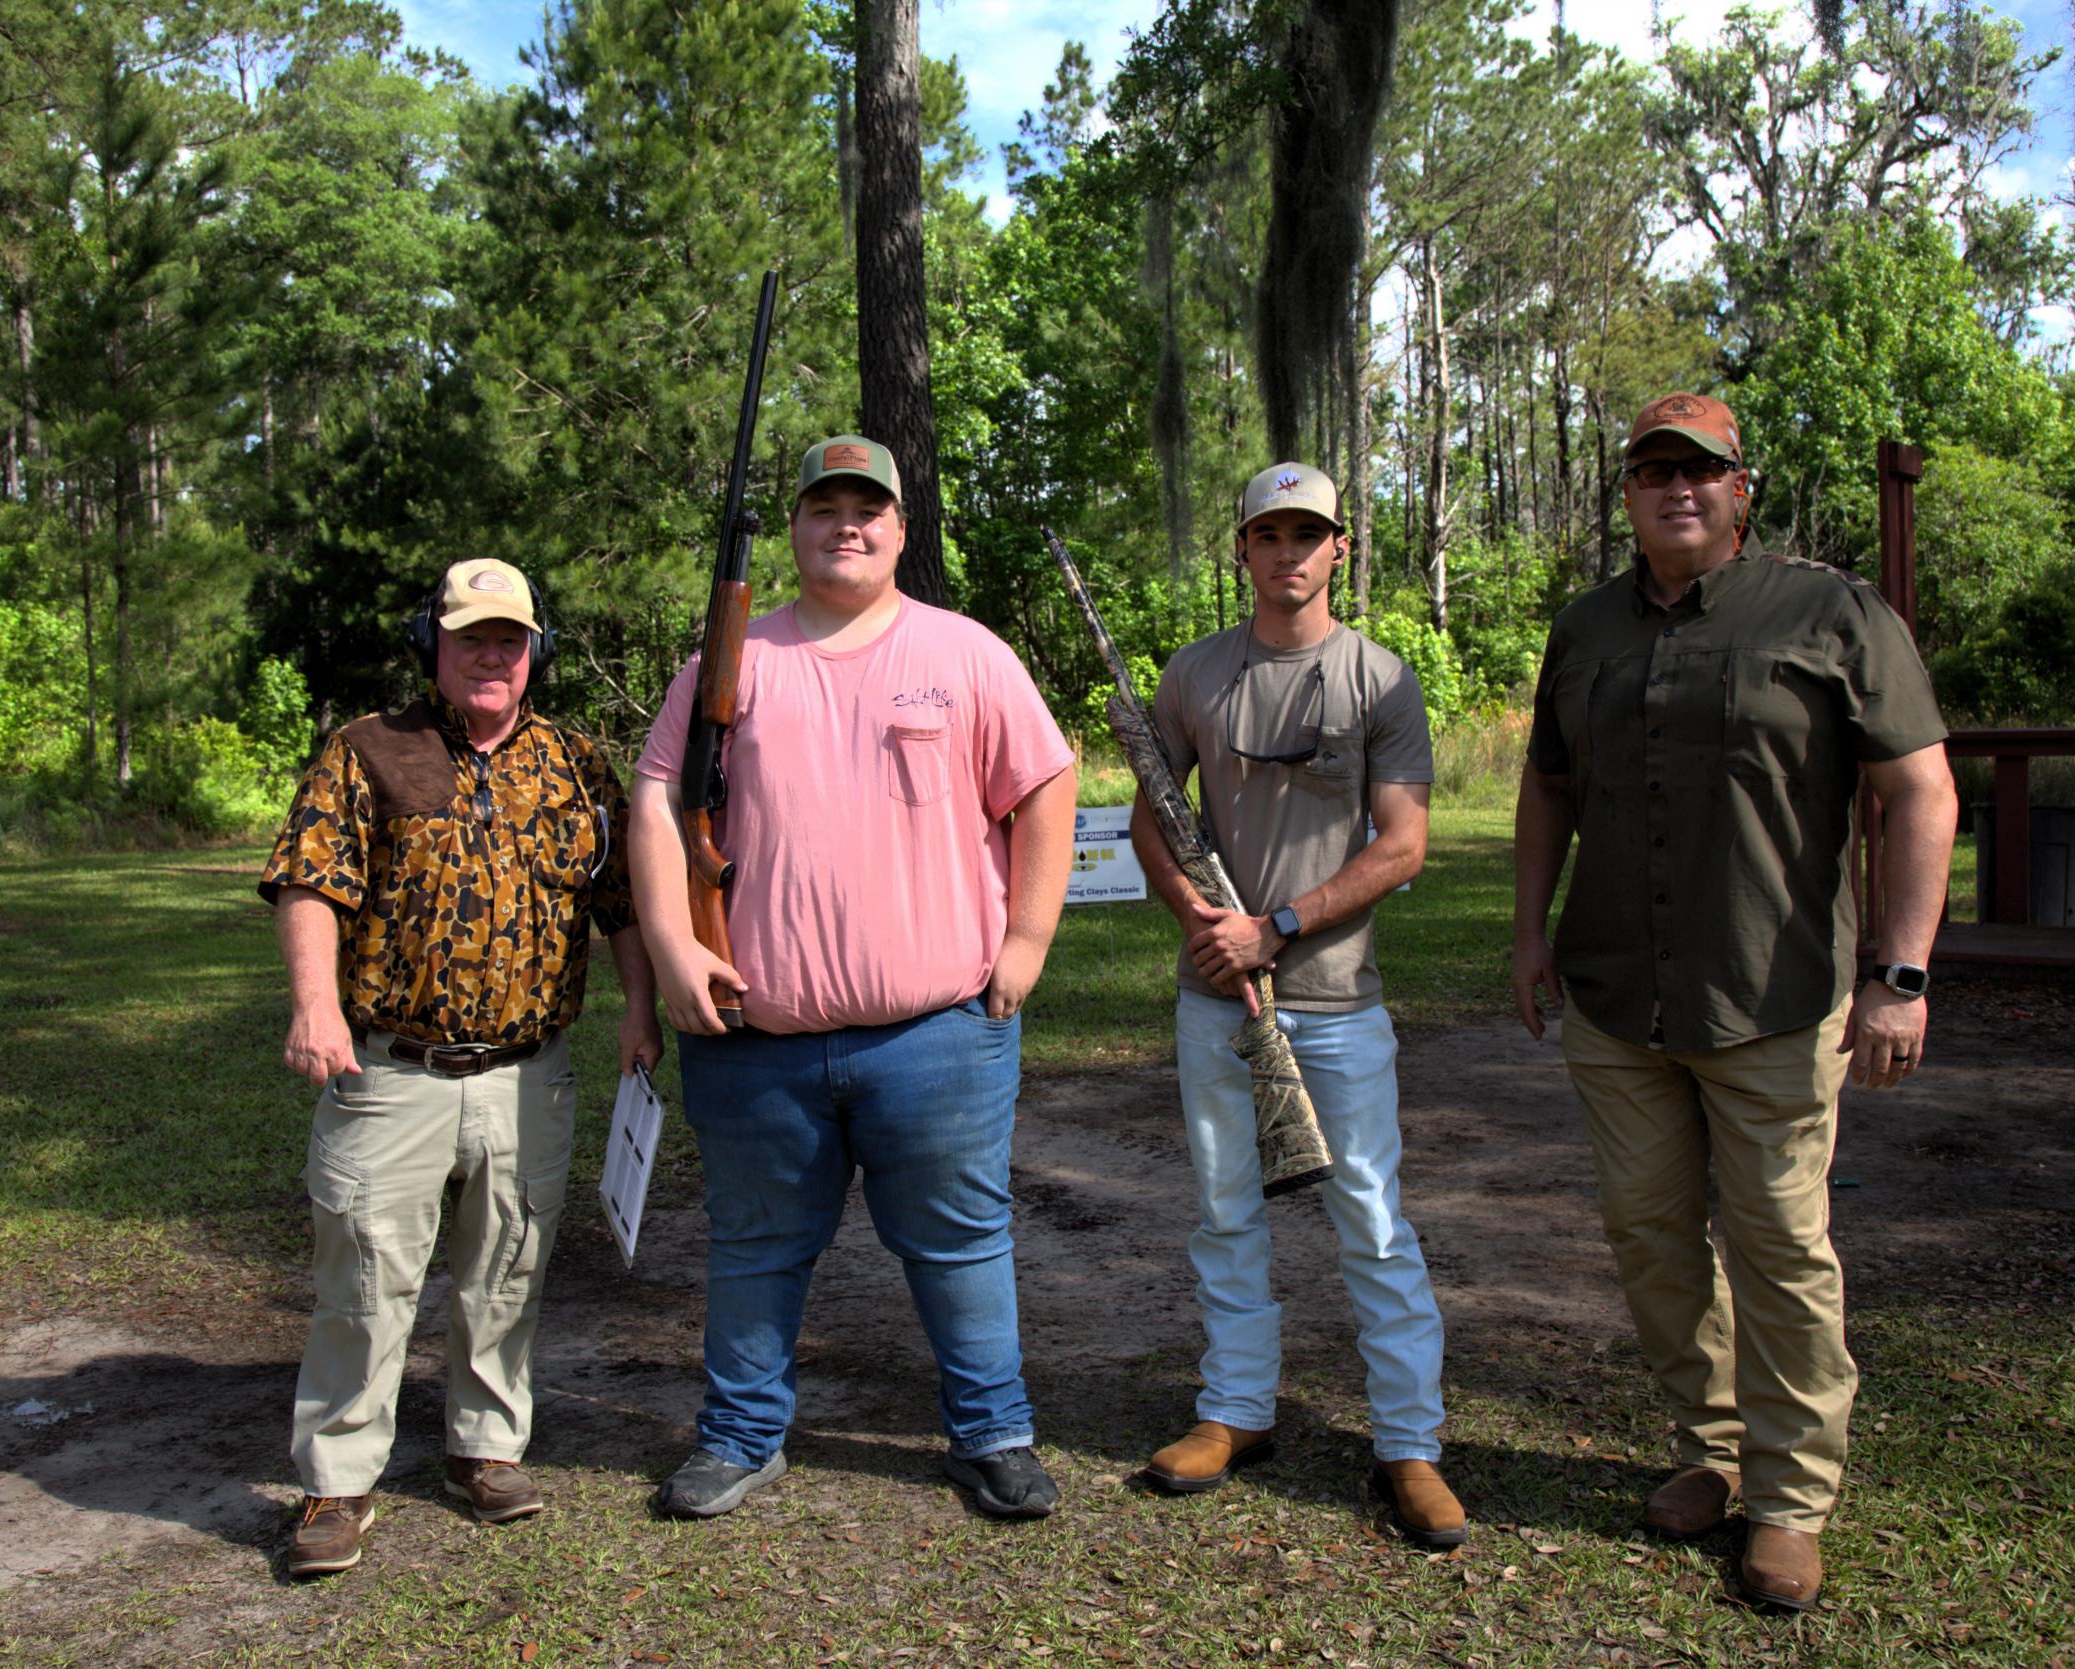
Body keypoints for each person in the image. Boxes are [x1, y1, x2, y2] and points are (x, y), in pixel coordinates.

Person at [1510, 393, 1957, 1611]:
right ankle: (1707, 1448)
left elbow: (1920, 792)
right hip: (1615, 994)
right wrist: (1526, 931)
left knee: (1776, 1246)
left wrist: (1899, 975)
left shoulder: (1830, 612)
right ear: (1627, 495)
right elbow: (1549, 785)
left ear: (1739, 487)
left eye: (1700, 471)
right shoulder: (1586, 625)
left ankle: (1791, 1497)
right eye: (1653, 472)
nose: (1677, 490)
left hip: (1775, 993)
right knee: (1650, 1240)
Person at [627, 434, 1079, 1522]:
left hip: (936, 1033)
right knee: (752, 1245)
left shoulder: (964, 652)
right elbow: (653, 800)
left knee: (962, 1241)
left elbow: (1047, 787)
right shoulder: (726, 666)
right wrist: (671, 942)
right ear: (794, 528)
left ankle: (993, 1434)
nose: (848, 524)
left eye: (867, 507)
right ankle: (739, 1436)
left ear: (899, 529)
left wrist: (1025, 944)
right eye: (825, 506)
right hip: (754, 1037)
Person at [260, 558, 658, 1578]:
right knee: (363, 1279)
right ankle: (337, 1481)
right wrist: (314, 1005)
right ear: (430, 646)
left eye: (510, 639)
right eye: (471, 636)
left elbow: (620, 903)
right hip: (392, 1070)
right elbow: (309, 881)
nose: (492, 654)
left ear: (537, 654)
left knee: (507, 1270)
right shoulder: (366, 751)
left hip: (529, 1070)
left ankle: (485, 1448)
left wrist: (640, 1014)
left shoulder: (576, 762)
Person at [1129, 462, 1465, 1547]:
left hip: (1333, 997)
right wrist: (1201, 921)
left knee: (1370, 1220)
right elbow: (1150, 818)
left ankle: (1408, 1444)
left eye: (1307, 535)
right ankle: (1235, 1412)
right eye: (1267, 535)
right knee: (1226, 1213)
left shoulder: (1379, 679)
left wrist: (1275, 926)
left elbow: (1403, 843)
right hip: (1213, 997)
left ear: (1340, 550)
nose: (1288, 554)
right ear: (1242, 550)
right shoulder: (1193, 674)